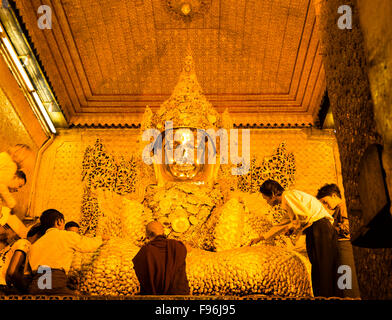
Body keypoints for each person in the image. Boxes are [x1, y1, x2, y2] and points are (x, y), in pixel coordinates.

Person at [250, 180, 341, 298]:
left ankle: (326, 297)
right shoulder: (288, 201)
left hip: (320, 228)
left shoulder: (288, 196)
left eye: (266, 198)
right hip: (316, 230)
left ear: (272, 194)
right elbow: (282, 224)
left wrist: (293, 228)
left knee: (323, 267)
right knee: (319, 266)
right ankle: (322, 296)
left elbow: (304, 217)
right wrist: (261, 237)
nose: (266, 202)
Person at [28, 209, 107, 295]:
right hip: (55, 283)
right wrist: (101, 238)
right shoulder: (65, 235)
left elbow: (26, 274)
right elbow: (88, 245)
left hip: (35, 286)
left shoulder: (35, 244)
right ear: (59, 221)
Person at [316, 183, 361, 298]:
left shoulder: (342, 206)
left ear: (334, 196)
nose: (325, 206)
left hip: (344, 245)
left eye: (325, 202)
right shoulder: (337, 210)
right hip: (340, 247)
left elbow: (348, 227)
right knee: (343, 281)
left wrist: (330, 229)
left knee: (346, 281)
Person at [132, 221, 190, 295]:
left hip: (154, 295)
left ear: (147, 235)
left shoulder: (145, 252)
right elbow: (188, 248)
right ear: (163, 232)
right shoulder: (176, 246)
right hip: (178, 295)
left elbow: (140, 272)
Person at [0, 223, 43, 295]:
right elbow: (12, 272)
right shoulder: (25, 244)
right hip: (2, 286)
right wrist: (26, 290)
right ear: (39, 235)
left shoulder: (15, 244)